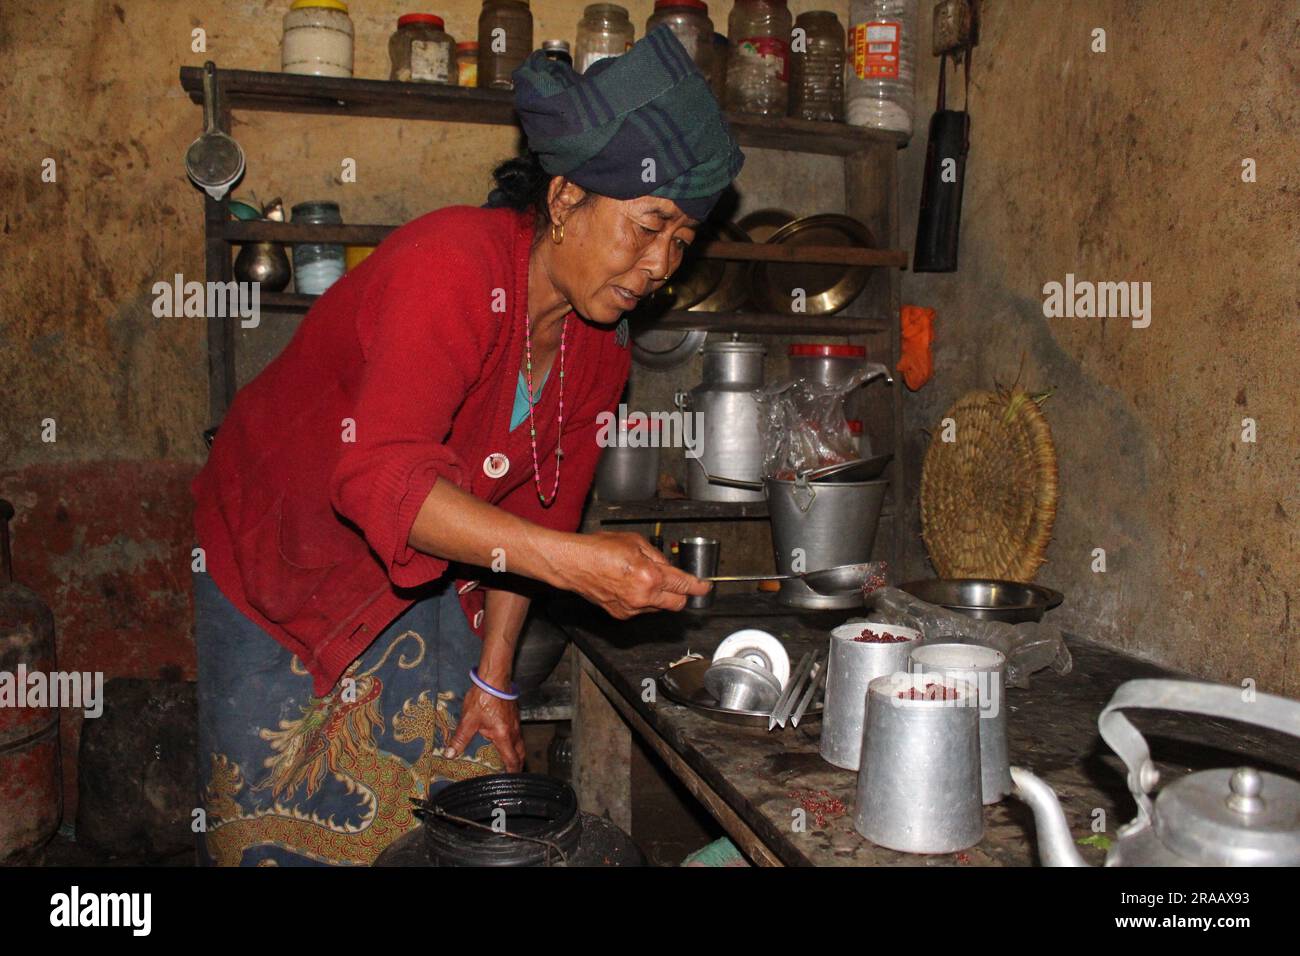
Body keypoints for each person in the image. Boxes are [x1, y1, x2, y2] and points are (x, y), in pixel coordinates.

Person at [190, 26, 745, 865]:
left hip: (423, 576)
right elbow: (382, 478)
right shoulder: (450, 266)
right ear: (565, 200)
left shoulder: (601, 344)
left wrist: (495, 678)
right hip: (282, 558)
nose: (659, 262)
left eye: (680, 241)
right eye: (648, 225)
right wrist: (574, 563)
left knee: (427, 823)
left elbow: (534, 511)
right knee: (283, 833)